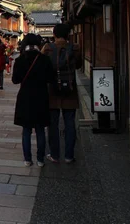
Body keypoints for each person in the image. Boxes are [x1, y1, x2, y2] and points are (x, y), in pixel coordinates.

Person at [42, 24, 82, 164]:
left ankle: (54, 155)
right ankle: (69, 156)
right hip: (69, 90)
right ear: (68, 34)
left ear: (54, 34)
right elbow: (78, 65)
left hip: (52, 90)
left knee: (52, 124)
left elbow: (43, 66)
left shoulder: (47, 48)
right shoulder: (75, 48)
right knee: (70, 123)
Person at [12, 34, 54, 167]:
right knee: (40, 130)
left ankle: (27, 159)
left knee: (26, 130)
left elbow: (15, 80)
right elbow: (50, 79)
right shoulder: (45, 59)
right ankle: (40, 159)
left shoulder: (20, 60)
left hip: (25, 97)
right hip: (41, 96)